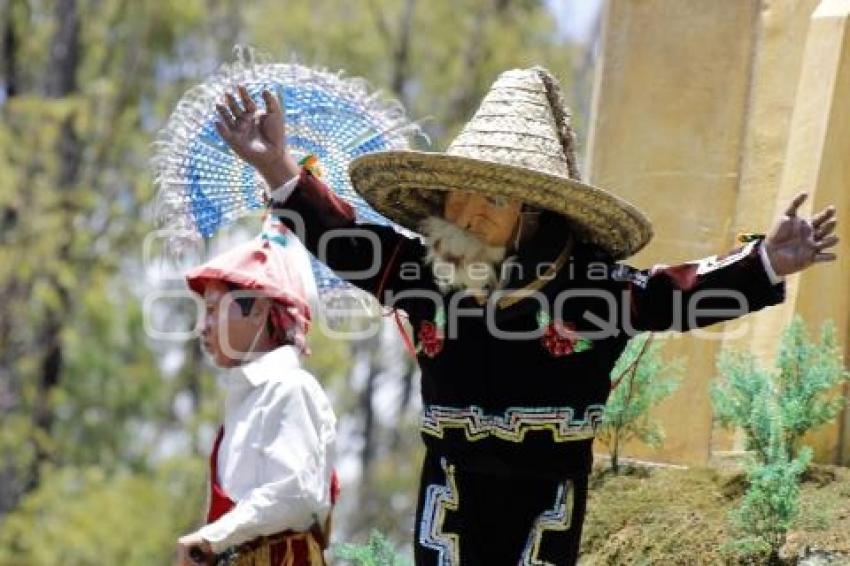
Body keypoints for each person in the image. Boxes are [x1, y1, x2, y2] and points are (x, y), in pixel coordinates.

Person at [213, 68, 838, 564]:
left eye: (494, 197)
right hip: (449, 486)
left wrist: (765, 264)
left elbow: (672, 294)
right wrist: (275, 165)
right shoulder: (421, 270)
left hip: (549, 496)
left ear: (532, 214)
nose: (471, 212)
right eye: (461, 192)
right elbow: (344, 236)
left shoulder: (587, 285)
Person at [175, 221, 338, 566]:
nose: (203, 327)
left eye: (213, 309)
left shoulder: (291, 388)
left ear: (260, 310)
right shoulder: (247, 399)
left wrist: (214, 536)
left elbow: (295, 492)